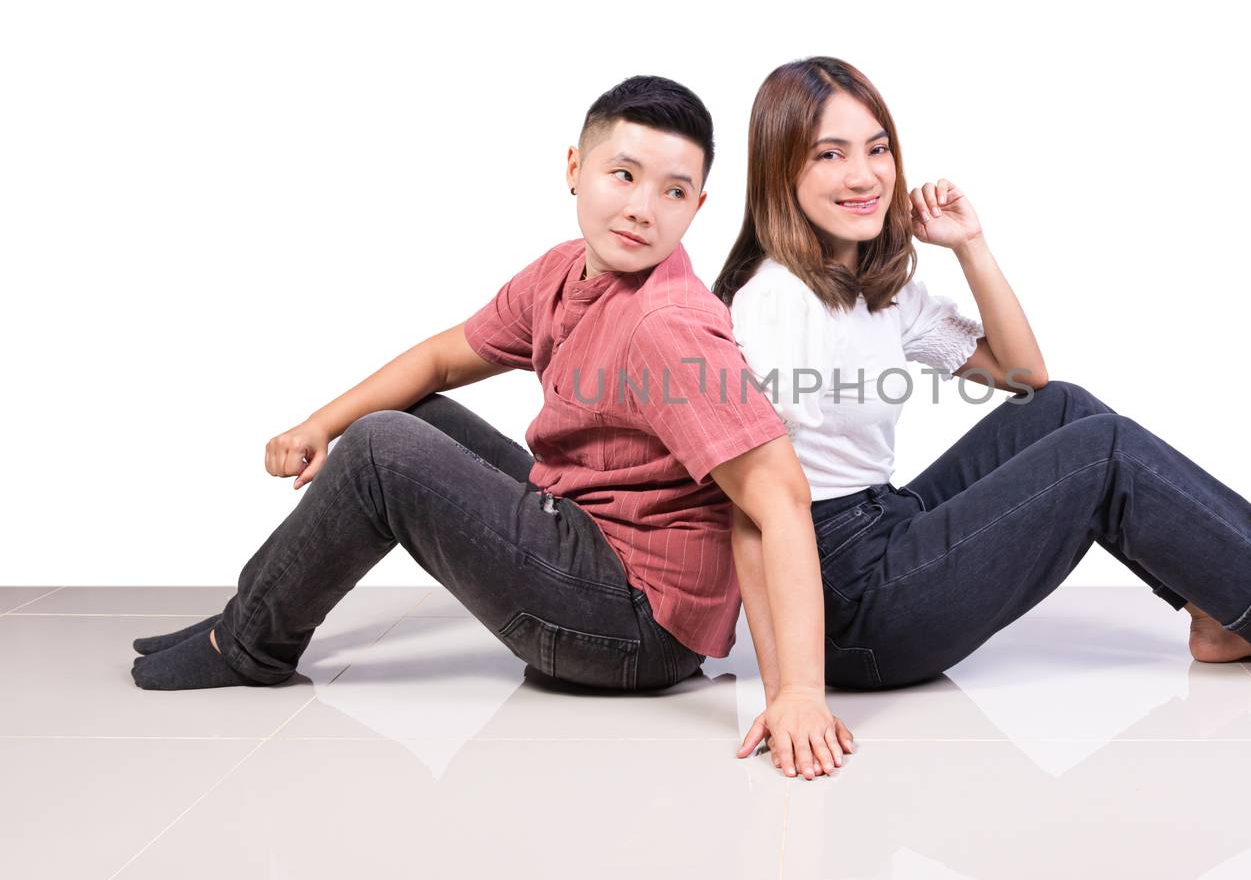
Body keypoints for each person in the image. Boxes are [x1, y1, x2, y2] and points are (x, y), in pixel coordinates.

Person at [715, 57, 1251, 773]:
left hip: (883, 528)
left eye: (877, 149)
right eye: (831, 155)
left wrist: (970, 245)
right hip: (846, 606)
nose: (866, 174)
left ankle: (1223, 616)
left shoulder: (868, 281)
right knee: (1102, 452)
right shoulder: (775, 301)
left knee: (1065, 410)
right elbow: (756, 511)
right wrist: (795, 691)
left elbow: (1025, 376)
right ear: (783, 171)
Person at [130, 73, 860, 773]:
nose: (643, 208)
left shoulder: (668, 324)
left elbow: (778, 494)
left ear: (698, 207)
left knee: (386, 448)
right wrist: (320, 423)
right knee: (410, 410)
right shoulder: (561, 270)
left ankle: (248, 643)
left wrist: (797, 693)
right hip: (586, 538)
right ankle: (249, 612)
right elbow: (445, 359)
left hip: (638, 627)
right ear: (574, 168)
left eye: (673, 191)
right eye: (623, 174)